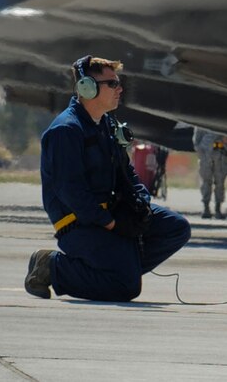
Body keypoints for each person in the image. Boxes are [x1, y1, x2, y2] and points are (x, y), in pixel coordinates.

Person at [25, 56, 191, 302]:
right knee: (126, 288)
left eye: (119, 83)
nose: (120, 89)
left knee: (176, 227)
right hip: (79, 223)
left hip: (109, 214)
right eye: (112, 84)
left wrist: (141, 204)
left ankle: (119, 269)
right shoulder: (66, 131)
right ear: (87, 87)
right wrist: (112, 223)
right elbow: (72, 192)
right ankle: (52, 266)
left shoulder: (106, 125)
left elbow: (127, 172)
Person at [191, 127, 227, 218]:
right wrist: (201, 153)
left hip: (220, 154)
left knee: (220, 182)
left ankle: (218, 209)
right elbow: (196, 140)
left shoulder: (223, 121)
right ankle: (206, 208)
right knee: (206, 181)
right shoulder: (201, 123)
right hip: (206, 155)